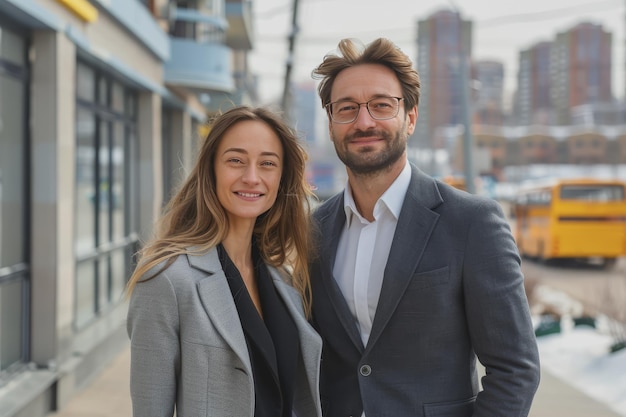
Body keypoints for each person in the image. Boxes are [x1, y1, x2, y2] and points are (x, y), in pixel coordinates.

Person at [309, 38, 540, 417]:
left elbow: (516, 370)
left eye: (382, 105)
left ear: (410, 118)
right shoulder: (314, 229)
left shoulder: (472, 222)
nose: (363, 121)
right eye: (346, 109)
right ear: (332, 124)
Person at [126, 106, 322, 417]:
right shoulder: (166, 280)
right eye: (236, 161)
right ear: (211, 170)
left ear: (282, 178)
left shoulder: (285, 280)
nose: (252, 177)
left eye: (267, 164)